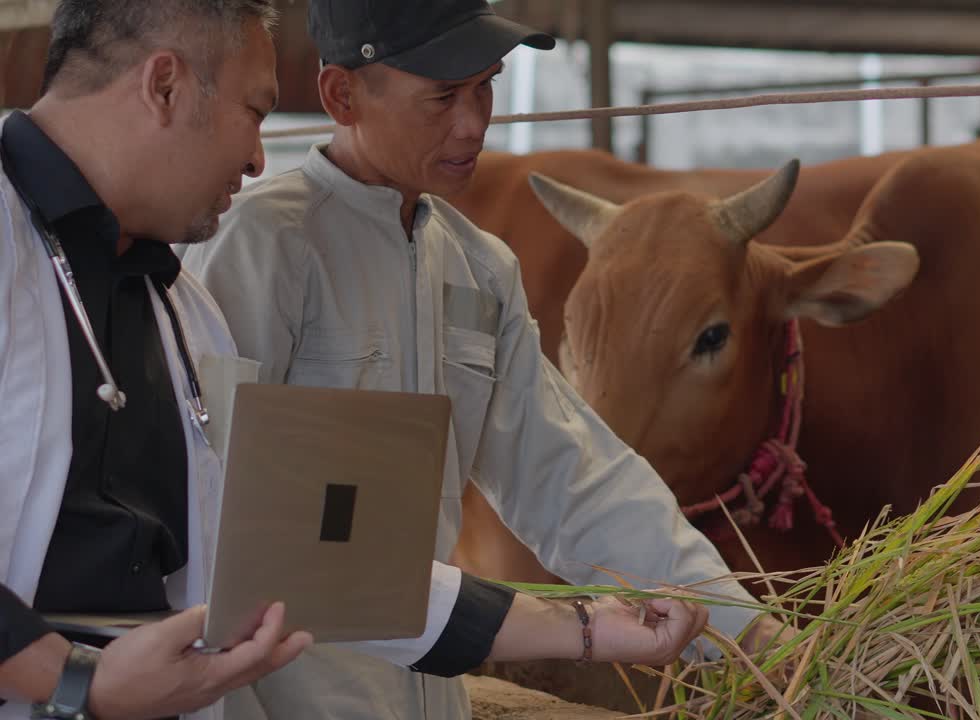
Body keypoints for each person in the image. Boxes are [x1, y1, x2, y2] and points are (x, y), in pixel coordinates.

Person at [0, 2, 711, 719]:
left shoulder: (181, 309)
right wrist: (70, 677)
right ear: (164, 87)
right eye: (255, 110)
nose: (256, 158)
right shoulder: (253, 250)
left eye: (486, 88)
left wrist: (593, 629)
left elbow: (312, 547)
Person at [182, 1, 793, 718]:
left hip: (433, 695)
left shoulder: (478, 269)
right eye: (442, 96)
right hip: (294, 698)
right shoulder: (264, 248)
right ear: (341, 96)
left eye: (484, 87)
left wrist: (743, 629)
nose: (474, 124)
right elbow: (214, 514)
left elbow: (573, 476)